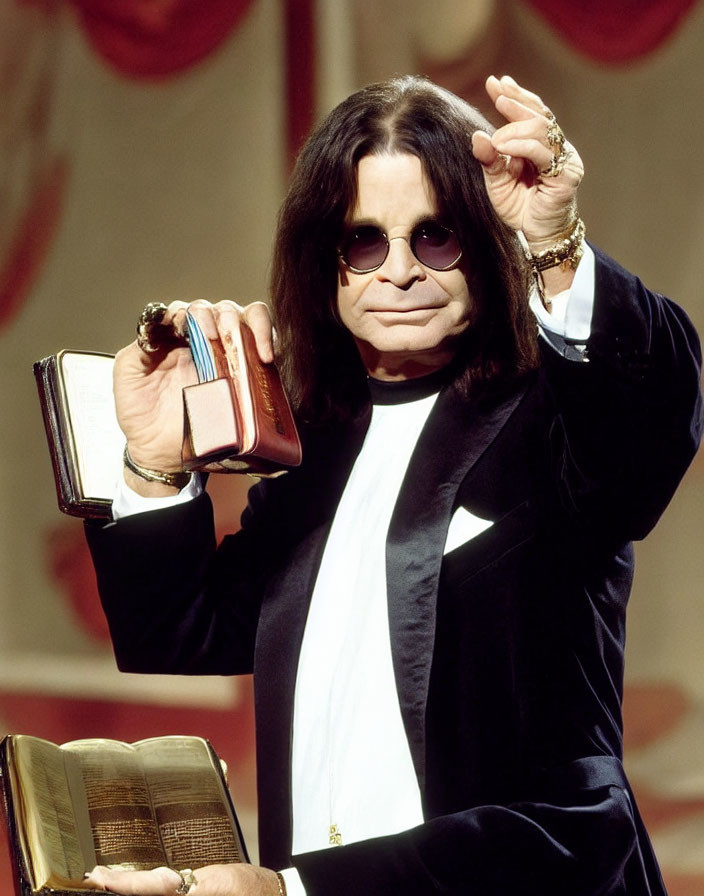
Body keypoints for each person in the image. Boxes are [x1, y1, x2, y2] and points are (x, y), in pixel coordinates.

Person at [84, 74, 703, 896]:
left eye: (437, 238)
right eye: (365, 243)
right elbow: (182, 631)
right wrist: (157, 462)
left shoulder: (559, 416)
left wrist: (555, 245)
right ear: (326, 265)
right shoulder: (319, 446)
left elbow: (649, 423)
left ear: (486, 243)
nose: (400, 272)